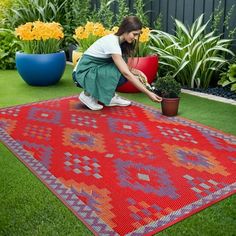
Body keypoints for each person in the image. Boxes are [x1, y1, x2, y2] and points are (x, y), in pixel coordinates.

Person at [72, 16, 162, 110]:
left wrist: (137, 72)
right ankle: (87, 95)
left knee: (125, 70)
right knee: (124, 74)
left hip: (92, 70)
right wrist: (148, 93)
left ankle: (110, 96)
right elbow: (126, 72)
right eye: (134, 34)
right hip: (81, 73)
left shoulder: (121, 42)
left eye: (137, 35)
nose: (135, 38)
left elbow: (123, 66)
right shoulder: (112, 42)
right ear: (126, 30)